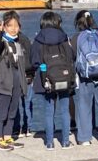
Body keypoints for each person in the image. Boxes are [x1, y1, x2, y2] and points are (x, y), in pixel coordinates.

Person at [31, 10, 76, 149]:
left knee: (49, 111)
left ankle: (49, 142)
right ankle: (65, 141)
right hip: (64, 77)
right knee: (64, 110)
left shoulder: (38, 39)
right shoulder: (63, 37)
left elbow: (34, 61)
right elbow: (72, 56)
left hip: (46, 80)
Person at [73, 9, 98, 145]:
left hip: (85, 77)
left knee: (84, 106)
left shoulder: (77, 37)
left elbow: (73, 57)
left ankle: (85, 138)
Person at [0, 11, 28, 152]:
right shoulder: (2, 42)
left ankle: (7, 137)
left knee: (12, 112)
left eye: (16, 25)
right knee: (1, 112)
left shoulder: (18, 43)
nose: (13, 28)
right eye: (10, 25)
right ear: (4, 27)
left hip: (16, 82)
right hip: (3, 83)